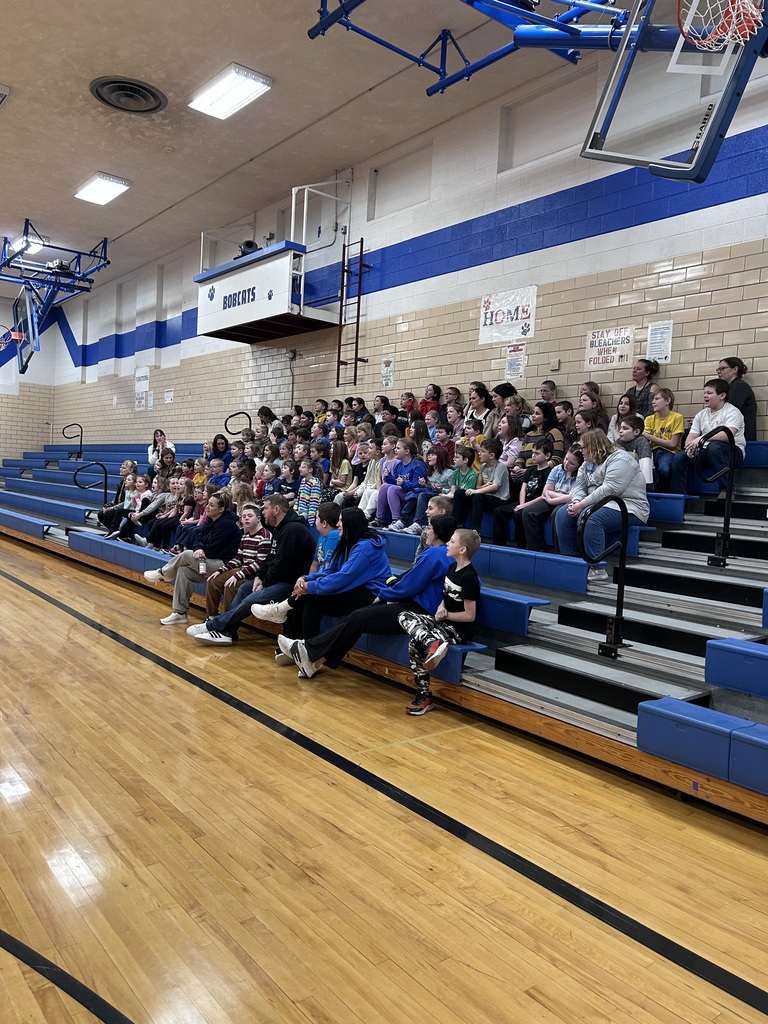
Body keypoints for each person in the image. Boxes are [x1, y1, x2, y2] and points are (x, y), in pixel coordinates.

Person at [276, 514, 459, 679]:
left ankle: (308, 650)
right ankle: (313, 659)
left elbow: (409, 585)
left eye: (428, 527)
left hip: (417, 610)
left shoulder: (434, 553)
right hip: (421, 608)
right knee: (357, 619)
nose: (425, 531)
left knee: (358, 617)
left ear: (438, 532)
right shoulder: (448, 555)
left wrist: (384, 594)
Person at [186, 493, 316, 644]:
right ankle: (228, 632)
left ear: (276, 509)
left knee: (252, 598)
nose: (263, 513)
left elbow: (282, 565)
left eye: (265, 509)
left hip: (291, 584)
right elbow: (270, 559)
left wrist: (265, 583)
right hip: (279, 579)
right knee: (245, 589)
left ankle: (213, 626)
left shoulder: (291, 530)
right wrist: (260, 577)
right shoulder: (281, 529)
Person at [398, 527, 482, 716]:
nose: (447, 544)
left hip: (459, 630)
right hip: (443, 623)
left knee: (414, 643)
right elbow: (446, 594)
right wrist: (441, 606)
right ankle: (431, 642)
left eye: (452, 541)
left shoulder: (469, 577)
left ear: (463, 550)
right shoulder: (452, 567)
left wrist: (446, 616)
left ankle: (424, 695)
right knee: (403, 615)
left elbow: (470, 616)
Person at [554, 429, 650, 582]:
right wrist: (577, 501)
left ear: (594, 446)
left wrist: (583, 505)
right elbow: (579, 486)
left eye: (583, 447)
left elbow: (610, 489)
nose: (581, 451)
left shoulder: (621, 459)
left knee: (590, 517)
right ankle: (573, 562)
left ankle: (597, 567)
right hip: (598, 505)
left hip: (629, 507)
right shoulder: (586, 464)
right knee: (562, 514)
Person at [143, 491, 243, 624]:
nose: (207, 507)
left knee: (185, 554)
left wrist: (200, 549)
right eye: (207, 503)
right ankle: (180, 613)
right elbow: (198, 538)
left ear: (221, 509)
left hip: (223, 566)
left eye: (211, 505)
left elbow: (214, 551)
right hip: (208, 561)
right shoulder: (210, 520)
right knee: (183, 571)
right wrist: (199, 548)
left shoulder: (227, 525)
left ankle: (164, 573)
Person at [670, 379, 746, 494]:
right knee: (680, 457)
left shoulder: (733, 412)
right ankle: (678, 497)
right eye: (704, 393)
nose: (705, 396)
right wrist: (689, 447)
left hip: (732, 452)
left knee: (714, 447)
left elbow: (728, 434)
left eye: (709, 393)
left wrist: (701, 438)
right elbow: (692, 435)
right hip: (706, 450)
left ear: (722, 395)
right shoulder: (701, 414)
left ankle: (727, 490)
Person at [203, 502, 272, 615]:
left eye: (250, 516)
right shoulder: (245, 536)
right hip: (243, 570)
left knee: (231, 585)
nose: (246, 519)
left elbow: (259, 564)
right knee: (213, 581)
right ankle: (211, 617)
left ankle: (225, 623)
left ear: (258, 518)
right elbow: (238, 558)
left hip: (255, 575)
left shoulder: (265, 536)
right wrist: (221, 570)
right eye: (244, 517)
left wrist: (237, 576)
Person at [492, 440, 552, 547]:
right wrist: (521, 504)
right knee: (499, 511)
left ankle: (521, 545)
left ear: (547, 456)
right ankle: (499, 544)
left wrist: (523, 506)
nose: (533, 456)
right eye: (533, 452)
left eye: (537, 453)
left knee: (520, 514)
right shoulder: (530, 470)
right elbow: (523, 489)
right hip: (524, 502)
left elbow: (544, 495)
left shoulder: (549, 472)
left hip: (536, 503)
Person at [452, 437, 510, 533]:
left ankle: (475, 529)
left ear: (491, 455)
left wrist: (477, 491)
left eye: (482, 451)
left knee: (478, 497)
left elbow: (495, 486)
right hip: (485, 496)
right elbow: (478, 486)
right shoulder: (483, 466)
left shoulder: (501, 466)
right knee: (459, 493)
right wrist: (483, 487)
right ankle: (455, 523)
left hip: (499, 499)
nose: (479, 453)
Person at [642, 388, 684, 492]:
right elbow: (644, 439)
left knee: (665, 469)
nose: (653, 402)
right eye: (653, 399)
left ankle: (662, 494)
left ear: (667, 401)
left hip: (669, 452)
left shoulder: (677, 417)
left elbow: (673, 444)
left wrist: (651, 437)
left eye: (656, 399)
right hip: (651, 452)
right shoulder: (649, 419)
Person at [716, 356, 757, 440]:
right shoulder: (732, 387)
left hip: (740, 438)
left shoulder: (739, 386)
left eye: (723, 368)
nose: (719, 372)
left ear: (735, 369)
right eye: (718, 370)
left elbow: (728, 411)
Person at [615, 414, 653, 486]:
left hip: (638, 483)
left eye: (625, 428)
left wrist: (646, 485)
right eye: (620, 428)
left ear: (636, 432)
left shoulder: (642, 442)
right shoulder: (618, 442)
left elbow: (646, 467)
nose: (620, 431)